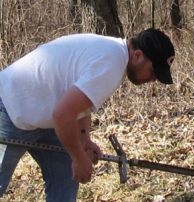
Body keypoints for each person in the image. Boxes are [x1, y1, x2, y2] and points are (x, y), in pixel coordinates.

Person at [0, 28, 175, 201]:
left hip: (45, 116)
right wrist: (78, 157)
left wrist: (84, 140)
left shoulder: (113, 54)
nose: (152, 80)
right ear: (137, 55)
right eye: (153, 73)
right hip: (11, 106)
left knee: (65, 181)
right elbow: (63, 114)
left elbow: (78, 105)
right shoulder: (111, 63)